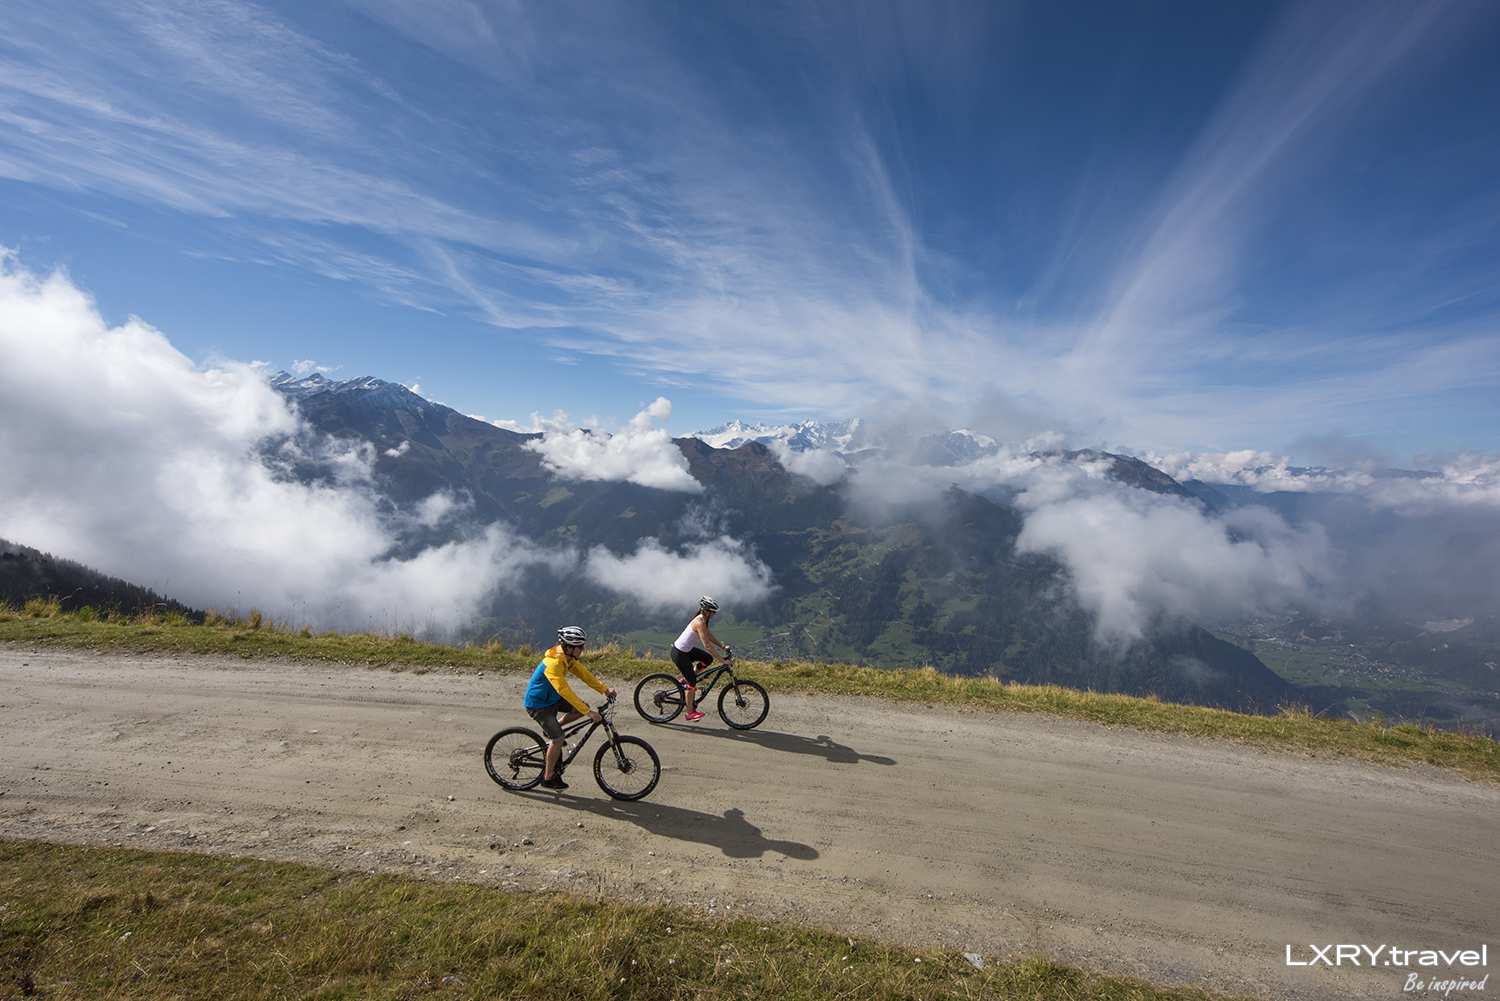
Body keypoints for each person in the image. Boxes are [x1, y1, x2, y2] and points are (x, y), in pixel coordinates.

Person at [524, 625, 616, 789]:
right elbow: (564, 690)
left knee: (580, 708)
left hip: (551, 699)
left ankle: (553, 729)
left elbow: (585, 675)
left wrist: (605, 690)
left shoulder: (567, 659)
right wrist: (589, 713)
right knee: (558, 739)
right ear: (569, 647)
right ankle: (548, 777)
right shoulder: (553, 663)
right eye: (580, 647)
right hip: (539, 705)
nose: (583, 649)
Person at [672, 596, 731, 722]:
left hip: (686, 651)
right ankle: (689, 713)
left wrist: (721, 646)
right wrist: (722, 660)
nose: (714, 614)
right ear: (706, 611)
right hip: (680, 654)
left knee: (707, 659)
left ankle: (686, 679)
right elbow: (707, 646)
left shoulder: (703, 620)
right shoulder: (699, 622)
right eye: (712, 612)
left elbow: (708, 635)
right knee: (692, 682)